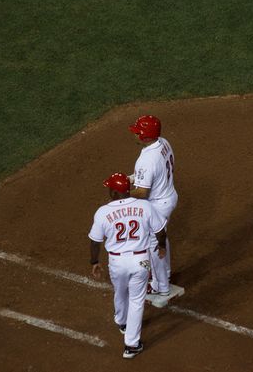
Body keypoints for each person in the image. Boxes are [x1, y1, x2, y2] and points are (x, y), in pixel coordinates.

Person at [88, 172, 167, 359]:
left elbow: (95, 242)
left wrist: (95, 262)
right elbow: (160, 230)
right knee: (137, 300)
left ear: (115, 192)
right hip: (140, 260)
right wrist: (162, 247)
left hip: (116, 261)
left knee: (120, 291)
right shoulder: (145, 206)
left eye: (109, 188)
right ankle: (131, 346)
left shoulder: (102, 212)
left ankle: (122, 322)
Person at [128, 115, 178, 296]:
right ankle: (164, 275)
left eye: (137, 132)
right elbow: (153, 173)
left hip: (157, 205)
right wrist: (133, 178)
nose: (135, 135)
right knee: (161, 237)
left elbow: (142, 193)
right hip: (168, 195)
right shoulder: (163, 142)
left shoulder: (147, 160)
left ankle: (160, 286)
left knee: (154, 243)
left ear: (145, 136)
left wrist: (122, 193)